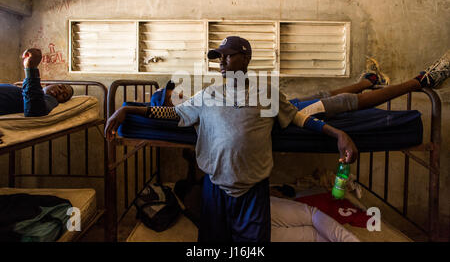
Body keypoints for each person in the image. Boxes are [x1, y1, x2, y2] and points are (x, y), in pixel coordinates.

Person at [105, 36, 449, 242]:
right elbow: (171, 115)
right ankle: (374, 80)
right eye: (219, 57)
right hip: (216, 186)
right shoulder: (205, 97)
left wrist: (337, 133)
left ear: (246, 57)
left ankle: (415, 81)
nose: (222, 62)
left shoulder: (264, 91)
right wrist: (130, 110)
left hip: (253, 183)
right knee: (210, 244)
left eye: (229, 55)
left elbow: (300, 118)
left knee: (330, 103)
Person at [0, 48, 74, 117]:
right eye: (60, 87)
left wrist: (31, 69)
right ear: (49, 84)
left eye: (64, 96)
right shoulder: (25, 88)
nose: (60, 91)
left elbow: (35, 110)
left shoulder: (50, 100)